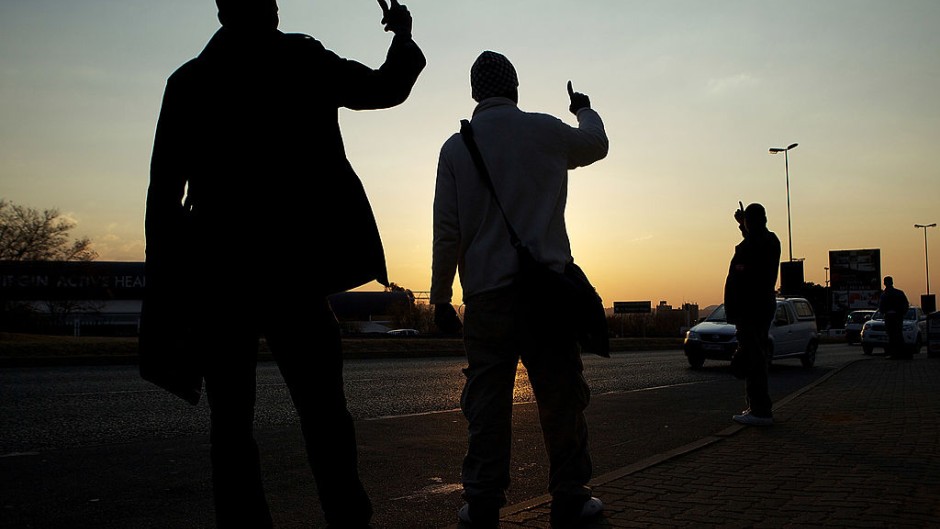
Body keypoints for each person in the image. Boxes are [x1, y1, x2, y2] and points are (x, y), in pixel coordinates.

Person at [140, 1, 425, 527]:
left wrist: (165, 292)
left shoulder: (189, 81)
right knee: (324, 416)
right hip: (294, 272)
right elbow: (386, 87)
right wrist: (403, 37)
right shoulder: (302, 58)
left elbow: (162, 198)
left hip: (221, 276)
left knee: (231, 426)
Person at [430, 51, 609, 528]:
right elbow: (596, 144)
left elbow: (447, 232)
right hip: (547, 296)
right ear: (515, 88)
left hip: (487, 298)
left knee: (487, 404)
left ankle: (484, 501)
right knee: (560, 397)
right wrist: (583, 108)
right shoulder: (545, 131)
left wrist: (441, 298)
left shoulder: (455, 148)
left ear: (475, 93)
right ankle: (570, 497)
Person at [724, 202, 781, 427]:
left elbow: (753, 245)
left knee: (753, 358)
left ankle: (759, 410)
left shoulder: (750, 247)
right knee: (754, 356)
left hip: (750, 308)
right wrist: (743, 225)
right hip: (760, 306)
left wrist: (744, 227)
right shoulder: (771, 241)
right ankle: (757, 407)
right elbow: (757, 239)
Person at [878, 276, 910, 359]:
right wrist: (902, 313)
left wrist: (884, 313)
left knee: (892, 335)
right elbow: (906, 304)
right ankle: (902, 353)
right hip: (898, 316)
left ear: (884, 283)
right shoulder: (899, 293)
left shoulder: (884, 295)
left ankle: (895, 354)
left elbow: (881, 307)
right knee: (898, 334)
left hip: (889, 316)